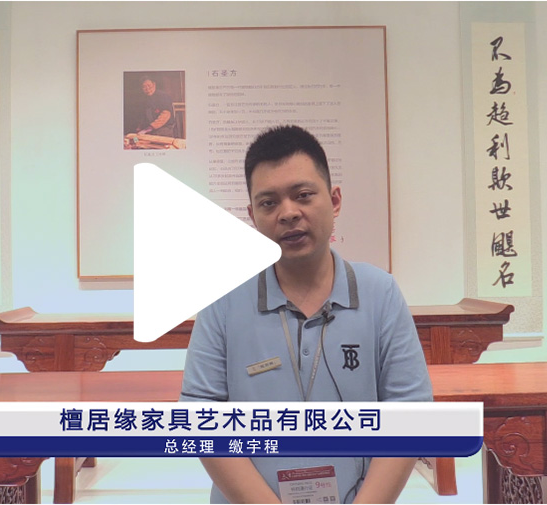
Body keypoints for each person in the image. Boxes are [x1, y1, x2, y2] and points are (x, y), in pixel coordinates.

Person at [180, 125, 433, 504]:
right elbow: (201, 418)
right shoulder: (223, 299)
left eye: (302, 195)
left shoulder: (379, 292)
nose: (288, 213)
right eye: (268, 203)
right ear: (252, 216)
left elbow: (410, 413)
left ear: (334, 200)